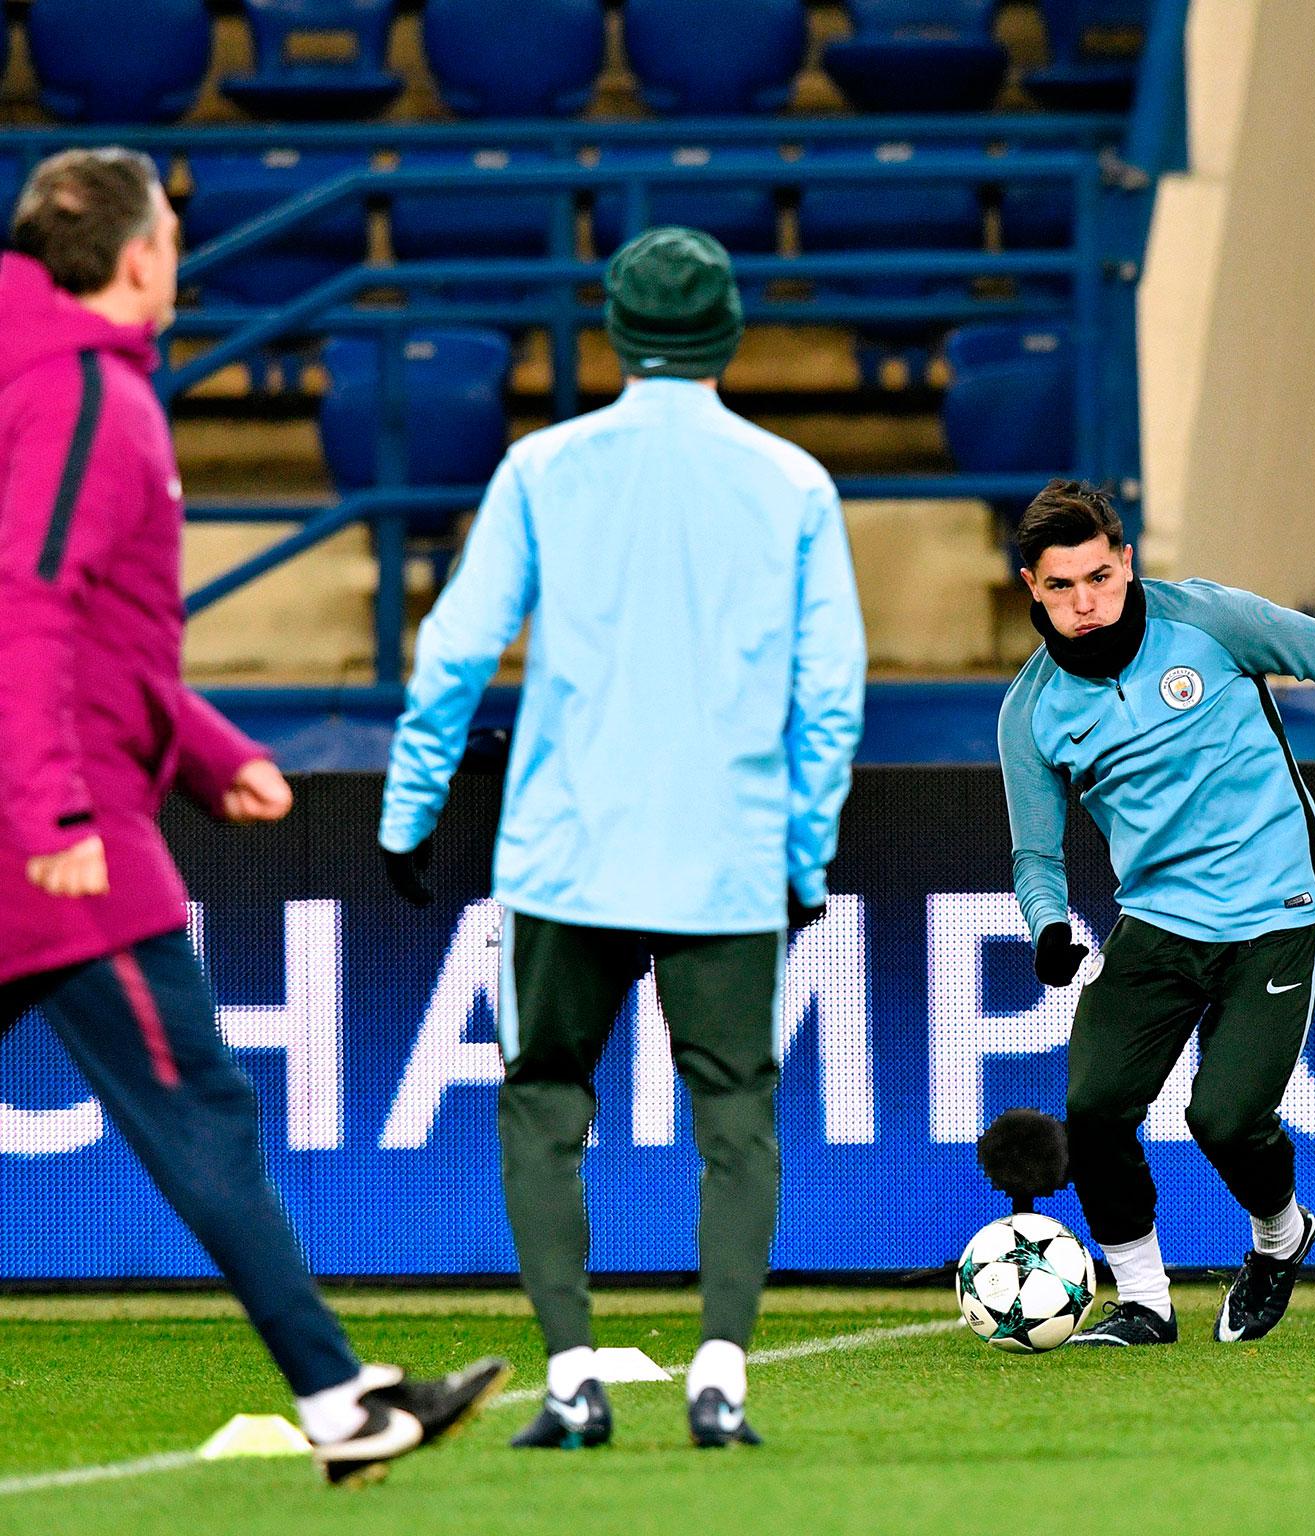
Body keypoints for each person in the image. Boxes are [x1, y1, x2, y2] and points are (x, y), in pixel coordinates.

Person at [0, 148, 507, 1487]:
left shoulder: (30, 373)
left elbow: (96, 635)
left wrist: (202, 746)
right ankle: (341, 1402)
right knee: (202, 1110)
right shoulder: (91, 400)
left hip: (55, 795)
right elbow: (32, 608)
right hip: (60, 843)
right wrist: (56, 813)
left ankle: (342, 1399)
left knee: (200, 1111)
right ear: (139, 258)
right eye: (170, 233)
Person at [379, 227, 865, 1450]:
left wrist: (410, 806)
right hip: (724, 857)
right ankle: (719, 1378)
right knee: (737, 1118)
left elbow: (450, 651)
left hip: (567, 854)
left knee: (543, 1099)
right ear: (729, 331)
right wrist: (802, 851)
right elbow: (831, 694)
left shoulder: (543, 468)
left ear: (614, 331)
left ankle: (572, 1379)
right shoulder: (792, 482)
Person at [998, 480, 1315, 1346]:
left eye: (1099, 577)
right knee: (1093, 1111)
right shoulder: (1030, 711)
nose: (1085, 603)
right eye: (1061, 587)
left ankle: (1280, 1237)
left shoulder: (1205, 620)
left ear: (1127, 563)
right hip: (1156, 920)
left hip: (1274, 902)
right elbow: (1035, 858)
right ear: (1032, 588)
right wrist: (1047, 924)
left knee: (1223, 1120)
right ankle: (1143, 1302)